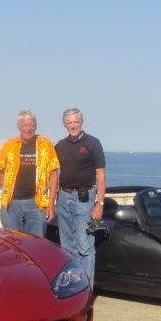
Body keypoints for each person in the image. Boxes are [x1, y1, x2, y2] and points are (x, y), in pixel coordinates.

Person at [54, 108, 106, 288]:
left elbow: (100, 175)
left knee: (85, 247)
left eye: (75, 122)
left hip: (84, 198)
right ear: (64, 124)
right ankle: (72, 289)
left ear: (81, 122)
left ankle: (86, 291)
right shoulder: (60, 146)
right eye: (69, 122)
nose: (72, 125)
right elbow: (52, 173)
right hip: (63, 197)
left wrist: (99, 203)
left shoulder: (93, 143)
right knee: (67, 247)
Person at [0, 110, 60, 236]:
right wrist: (6, 188)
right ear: (19, 126)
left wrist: (51, 204)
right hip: (11, 204)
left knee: (37, 243)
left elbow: (53, 174)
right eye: (25, 125)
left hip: (36, 203)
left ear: (36, 126)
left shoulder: (45, 145)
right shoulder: (9, 146)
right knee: (13, 243)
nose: (28, 128)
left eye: (31, 125)